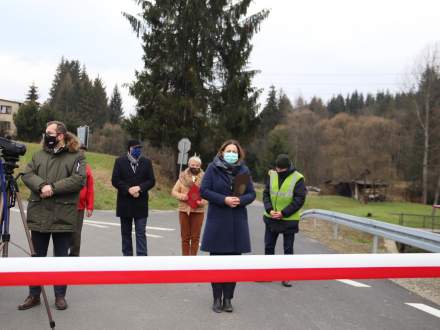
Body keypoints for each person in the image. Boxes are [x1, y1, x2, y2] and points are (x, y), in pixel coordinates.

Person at [18, 121, 86, 311]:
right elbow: (27, 174)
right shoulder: (38, 155)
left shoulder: (77, 156)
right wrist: (41, 186)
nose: (45, 135)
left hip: (63, 215)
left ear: (60, 135)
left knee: (61, 259)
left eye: (49, 133)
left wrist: (53, 188)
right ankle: (33, 295)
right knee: (37, 257)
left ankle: (60, 296)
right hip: (39, 213)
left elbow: (79, 180)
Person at [200, 139, 256, 313]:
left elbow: (251, 194)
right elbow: (204, 190)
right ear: (222, 152)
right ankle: (216, 298)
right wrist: (223, 199)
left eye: (234, 151)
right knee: (217, 264)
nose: (231, 154)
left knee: (233, 265)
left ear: (239, 154)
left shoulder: (243, 171)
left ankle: (228, 299)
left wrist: (240, 200)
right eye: (228, 150)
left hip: (236, 224)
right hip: (218, 222)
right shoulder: (212, 168)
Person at [263, 154, 306, 287]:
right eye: (277, 169)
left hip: (288, 219)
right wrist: (270, 210)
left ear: (288, 168)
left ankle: (286, 276)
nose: (279, 171)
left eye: (281, 169)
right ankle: (268, 274)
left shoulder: (298, 178)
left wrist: (283, 213)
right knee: (269, 246)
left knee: (288, 249)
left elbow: (299, 199)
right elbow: (266, 193)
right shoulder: (272, 175)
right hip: (271, 217)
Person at [111, 140, 155, 256]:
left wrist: (140, 188)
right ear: (129, 149)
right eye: (135, 148)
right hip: (125, 204)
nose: (138, 150)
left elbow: (151, 181)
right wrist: (128, 189)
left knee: (141, 233)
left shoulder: (146, 162)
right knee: (126, 233)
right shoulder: (120, 161)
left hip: (141, 204)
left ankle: (142, 259)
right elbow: (115, 180)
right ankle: (127, 259)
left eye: (139, 148)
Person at [171, 155, 207, 256]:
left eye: (197, 165)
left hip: (198, 211)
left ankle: (193, 259)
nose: (194, 166)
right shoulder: (182, 177)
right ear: (188, 165)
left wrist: (203, 202)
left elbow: (208, 194)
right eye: (192, 164)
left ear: (200, 166)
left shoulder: (205, 178)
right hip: (184, 210)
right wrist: (183, 196)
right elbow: (174, 191)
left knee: (195, 237)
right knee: (185, 237)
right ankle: (185, 259)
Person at [69, 144, 94, 256]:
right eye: (80, 150)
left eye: (84, 151)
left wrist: (90, 206)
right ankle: (60, 257)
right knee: (62, 233)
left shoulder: (87, 167)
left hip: (79, 207)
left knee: (76, 234)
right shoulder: (68, 163)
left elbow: (90, 188)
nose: (82, 152)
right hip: (66, 205)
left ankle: (74, 257)